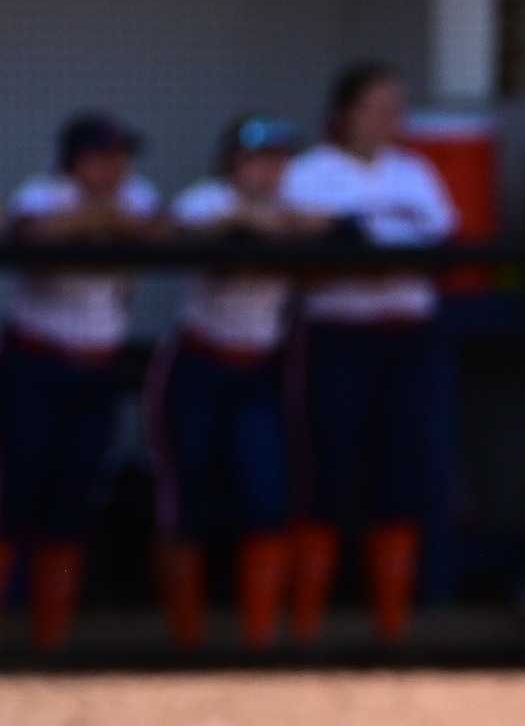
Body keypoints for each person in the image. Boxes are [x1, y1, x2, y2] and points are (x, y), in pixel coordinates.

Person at [281, 63, 457, 645]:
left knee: (399, 474)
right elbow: (307, 248)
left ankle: (393, 632)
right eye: (378, 105)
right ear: (348, 112)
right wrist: (360, 247)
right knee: (326, 472)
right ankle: (304, 628)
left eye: (396, 106)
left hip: (407, 339)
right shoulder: (310, 173)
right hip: (338, 336)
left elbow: (442, 243)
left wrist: (361, 241)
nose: (391, 118)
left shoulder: (415, 171)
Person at [145, 115, 323, 651]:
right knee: (185, 501)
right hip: (196, 365)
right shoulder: (206, 199)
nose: (269, 169)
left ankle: (260, 642)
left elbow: (332, 230)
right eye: (257, 158)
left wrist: (276, 226)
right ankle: (187, 642)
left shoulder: (295, 208)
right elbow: (174, 232)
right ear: (233, 163)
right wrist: (246, 227)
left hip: (259, 370)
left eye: (278, 159)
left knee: (268, 498)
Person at [0, 112, 164, 650]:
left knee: (71, 502)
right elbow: (27, 230)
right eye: (100, 156)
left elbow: (162, 227)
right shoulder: (43, 193)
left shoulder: (137, 194)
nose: (113, 167)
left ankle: (51, 644)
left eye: (120, 156)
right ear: (74, 161)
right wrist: (99, 219)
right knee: (12, 497)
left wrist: (105, 219)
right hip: (33, 366)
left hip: (96, 372)